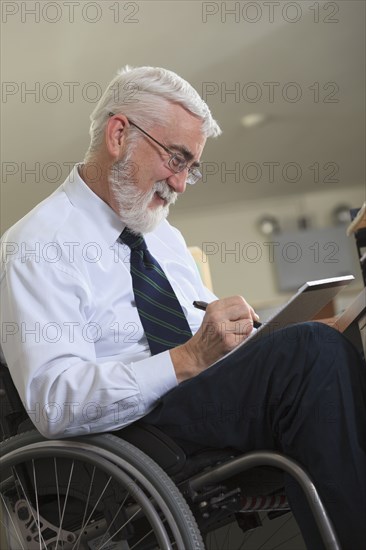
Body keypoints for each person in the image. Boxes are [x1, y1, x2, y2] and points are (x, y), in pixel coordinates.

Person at [0, 66, 365, 549]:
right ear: (118, 134)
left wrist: (252, 338)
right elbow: (57, 403)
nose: (182, 183)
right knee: (312, 355)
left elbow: (210, 342)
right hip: (129, 437)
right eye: (177, 158)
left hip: (189, 406)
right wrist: (188, 359)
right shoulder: (35, 246)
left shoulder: (162, 235)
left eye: (191, 166)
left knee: (328, 345)